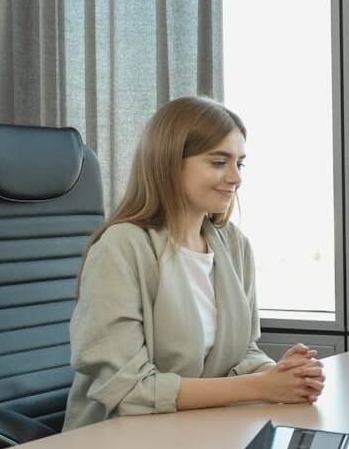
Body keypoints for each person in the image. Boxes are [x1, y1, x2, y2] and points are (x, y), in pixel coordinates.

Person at [64, 95, 325, 429]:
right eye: (218, 162)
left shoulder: (234, 245)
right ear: (169, 163)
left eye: (239, 163)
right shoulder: (121, 248)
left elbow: (243, 352)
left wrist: (280, 374)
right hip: (118, 445)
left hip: (196, 434)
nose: (236, 177)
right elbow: (129, 390)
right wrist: (261, 386)